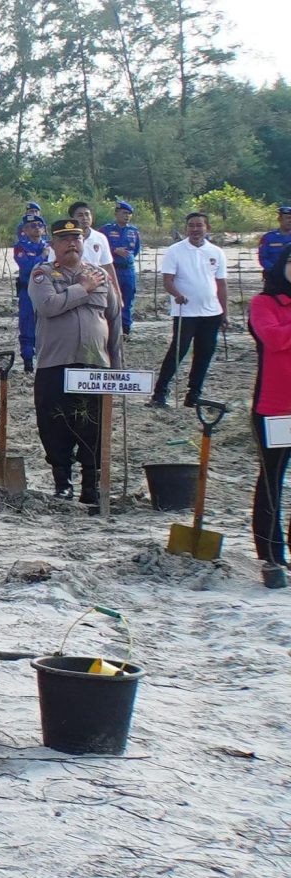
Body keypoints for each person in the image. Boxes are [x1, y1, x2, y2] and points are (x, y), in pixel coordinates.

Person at [31, 218, 120, 504]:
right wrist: (82, 289)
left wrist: (116, 366)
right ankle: (63, 482)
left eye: (76, 238)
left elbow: (114, 320)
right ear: (53, 245)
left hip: (94, 365)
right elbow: (48, 306)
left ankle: (91, 485)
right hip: (56, 364)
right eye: (65, 239)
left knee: (93, 426)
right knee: (55, 423)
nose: (71, 243)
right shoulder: (43, 274)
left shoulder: (100, 276)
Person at [151, 211, 229, 410]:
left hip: (211, 312)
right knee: (178, 351)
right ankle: (160, 393)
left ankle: (194, 394)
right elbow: (167, 280)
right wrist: (176, 294)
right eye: (191, 226)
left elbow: (221, 284)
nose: (195, 229)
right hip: (185, 311)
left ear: (207, 228)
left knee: (204, 353)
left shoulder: (216, 252)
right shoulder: (175, 251)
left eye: (199, 225)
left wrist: (224, 312)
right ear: (186, 228)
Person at [245, 254, 291, 590]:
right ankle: (271, 554)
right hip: (275, 405)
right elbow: (274, 339)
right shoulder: (264, 302)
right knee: (272, 481)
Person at [12, 215, 50, 371]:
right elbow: (27, 267)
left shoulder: (50, 245)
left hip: (47, 290)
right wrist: (42, 256)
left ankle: (44, 358)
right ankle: (28, 359)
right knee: (27, 323)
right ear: (25, 230)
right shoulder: (21, 246)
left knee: (47, 323)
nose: (36, 228)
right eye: (32, 226)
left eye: (39, 225)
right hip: (27, 290)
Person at [103, 200, 144, 335]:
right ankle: (109, 328)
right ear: (116, 214)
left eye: (129, 214)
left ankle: (125, 329)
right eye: (124, 213)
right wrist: (115, 251)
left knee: (128, 298)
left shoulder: (133, 231)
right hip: (113, 268)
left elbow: (136, 249)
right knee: (110, 299)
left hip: (128, 270)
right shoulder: (106, 230)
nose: (127, 216)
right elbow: (100, 248)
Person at [68, 201, 114, 268]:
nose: (85, 218)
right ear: (72, 219)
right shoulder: (63, 238)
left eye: (87, 214)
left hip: (95, 277)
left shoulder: (100, 237)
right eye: (80, 215)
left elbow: (107, 265)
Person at [258, 203, 291, 280]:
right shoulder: (269, 237)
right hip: (274, 277)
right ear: (279, 219)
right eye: (288, 218)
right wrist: (276, 270)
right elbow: (263, 258)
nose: (290, 221)